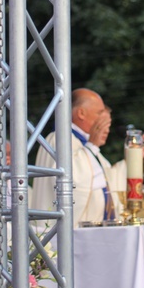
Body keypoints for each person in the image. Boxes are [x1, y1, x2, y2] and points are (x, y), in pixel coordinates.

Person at [31, 88, 113, 227]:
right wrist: (92, 145)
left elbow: (110, 181)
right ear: (81, 113)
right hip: (60, 237)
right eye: (100, 113)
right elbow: (72, 182)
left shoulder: (89, 147)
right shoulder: (59, 139)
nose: (103, 119)